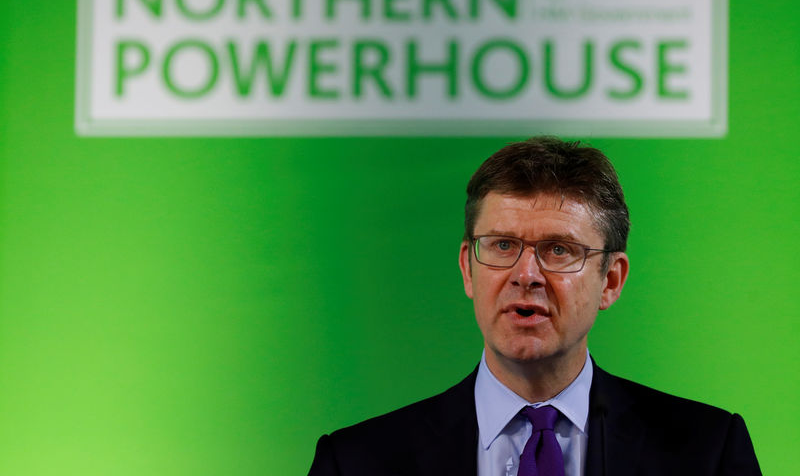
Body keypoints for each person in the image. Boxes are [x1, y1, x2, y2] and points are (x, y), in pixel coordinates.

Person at [308, 137, 760, 476]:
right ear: (469, 268)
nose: (526, 274)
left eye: (559, 250)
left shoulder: (708, 452)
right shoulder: (356, 463)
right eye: (502, 245)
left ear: (611, 280)